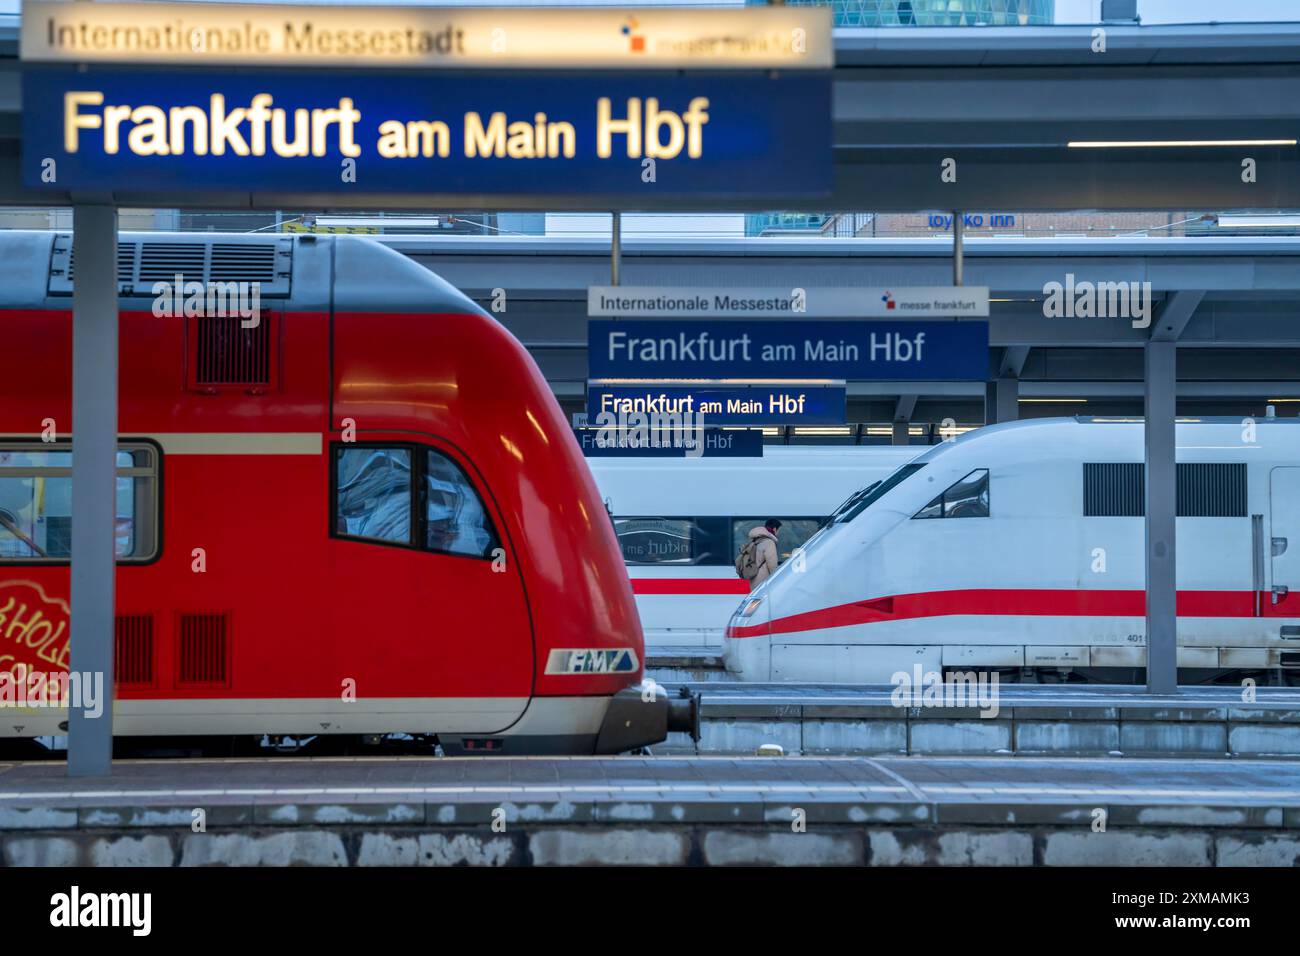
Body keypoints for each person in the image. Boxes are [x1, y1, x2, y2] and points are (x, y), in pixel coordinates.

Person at [736, 518, 782, 590]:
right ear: (775, 529)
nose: (778, 533)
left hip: (753, 579)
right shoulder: (769, 542)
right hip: (764, 582)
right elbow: (772, 565)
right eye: (779, 530)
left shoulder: (754, 541)